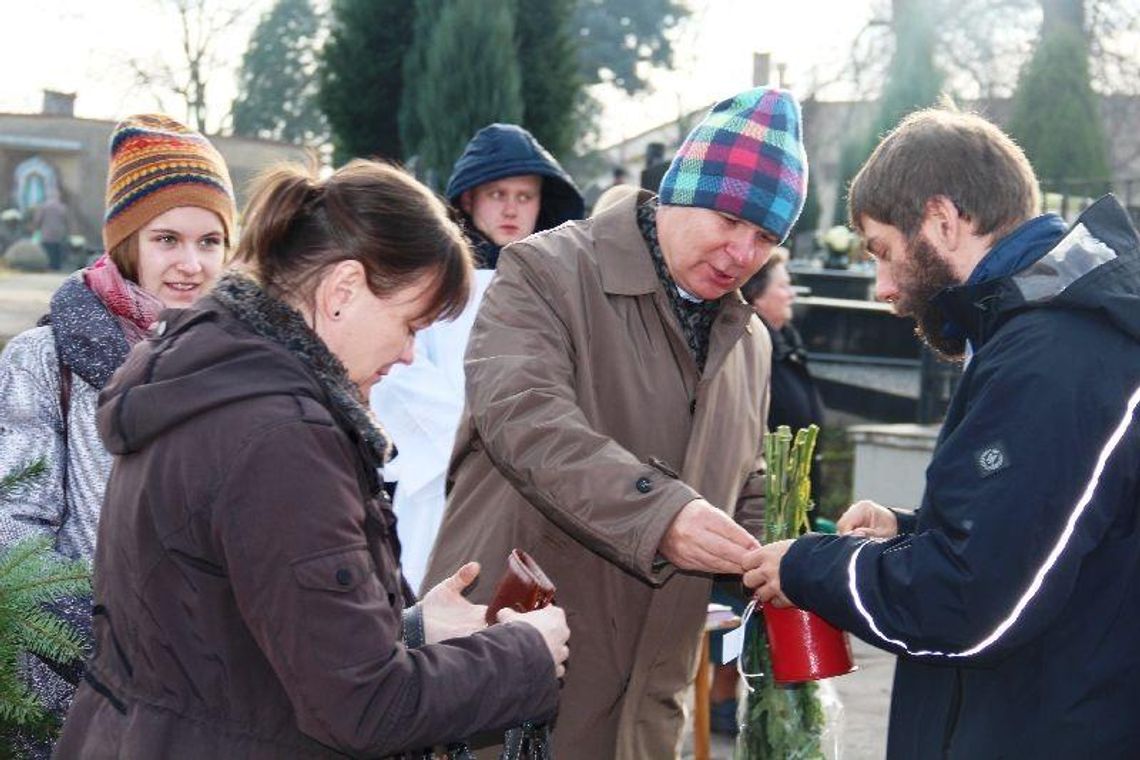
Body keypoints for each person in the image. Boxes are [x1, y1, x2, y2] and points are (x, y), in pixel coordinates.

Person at [55, 160, 570, 757]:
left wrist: (414, 631)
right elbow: (366, 709)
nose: (408, 355)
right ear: (342, 290)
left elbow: (232, 645)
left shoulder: (218, 383)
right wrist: (521, 657)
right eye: (410, 325)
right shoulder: (280, 439)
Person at [423, 87, 809, 758]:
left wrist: (795, 555)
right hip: (515, 690)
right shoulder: (546, 270)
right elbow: (525, 418)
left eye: (766, 237)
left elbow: (740, 471)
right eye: (727, 219)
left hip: (647, 710)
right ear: (677, 192)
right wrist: (661, 517)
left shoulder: (751, 342)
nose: (742, 252)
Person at [743, 107, 1140, 758]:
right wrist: (912, 531)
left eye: (883, 252)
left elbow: (969, 607)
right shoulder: (1042, 333)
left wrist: (811, 567)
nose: (882, 287)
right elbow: (1055, 537)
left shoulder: (1052, 355)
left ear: (942, 221)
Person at [0, 113, 236, 757]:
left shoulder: (241, 365)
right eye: (167, 238)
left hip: (211, 706)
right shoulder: (46, 359)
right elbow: (14, 531)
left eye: (210, 241)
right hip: (70, 690)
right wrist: (113, 644)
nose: (192, 264)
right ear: (128, 241)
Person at [371, 123, 583, 591]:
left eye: (525, 196)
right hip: (442, 486)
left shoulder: (561, 290)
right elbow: (397, 373)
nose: (511, 209)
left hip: (537, 490)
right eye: (498, 193)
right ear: (469, 199)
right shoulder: (432, 280)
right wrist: (475, 446)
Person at [707, 247, 828, 734]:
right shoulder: (749, 348)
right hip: (754, 505)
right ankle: (722, 697)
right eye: (782, 283)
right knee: (740, 611)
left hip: (789, 499)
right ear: (755, 297)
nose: (789, 291)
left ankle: (763, 694)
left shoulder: (785, 342)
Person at [33, 192, 71, 271]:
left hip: (46, 233)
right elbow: (66, 220)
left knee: (47, 250)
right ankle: (56, 266)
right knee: (57, 250)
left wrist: (37, 227)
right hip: (58, 233)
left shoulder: (43, 207)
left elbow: (38, 220)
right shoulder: (62, 207)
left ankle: (48, 266)